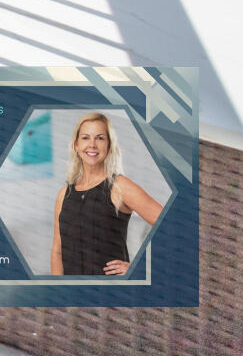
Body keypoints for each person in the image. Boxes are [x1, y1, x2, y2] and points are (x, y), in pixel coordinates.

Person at [52, 113, 164, 276]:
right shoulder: (64, 195)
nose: (92, 144)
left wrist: (139, 267)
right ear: (76, 145)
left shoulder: (120, 186)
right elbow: (57, 252)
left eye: (100, 138)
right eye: (85, 138)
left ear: (109, 145)